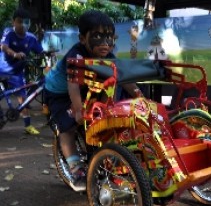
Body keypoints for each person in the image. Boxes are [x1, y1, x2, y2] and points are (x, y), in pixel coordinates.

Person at [44, 10, 142, 192]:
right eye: (97, 36)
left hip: (85, 86)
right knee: (68, 126)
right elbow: (72, 86)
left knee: (106, 111)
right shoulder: (77, 56)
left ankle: (100, 152)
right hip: (60, 92)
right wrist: (79, 110)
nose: (105, 43)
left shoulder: (109, 56)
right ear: (82, 38)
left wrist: (139, 96)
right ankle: (76, 170)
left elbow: (125, 79)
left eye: (109, 37)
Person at [0, 8, 44, 135]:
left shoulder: (31, 38)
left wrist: (48, 54)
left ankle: (28, 126)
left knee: (23, 98)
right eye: (20, 22)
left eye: (26, 22)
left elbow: (40, 52)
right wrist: (14, 54)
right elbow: (4, 46)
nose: (24, 25)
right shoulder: (8, 33)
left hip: (17, 72)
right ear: (13, 22)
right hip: (2, 68)